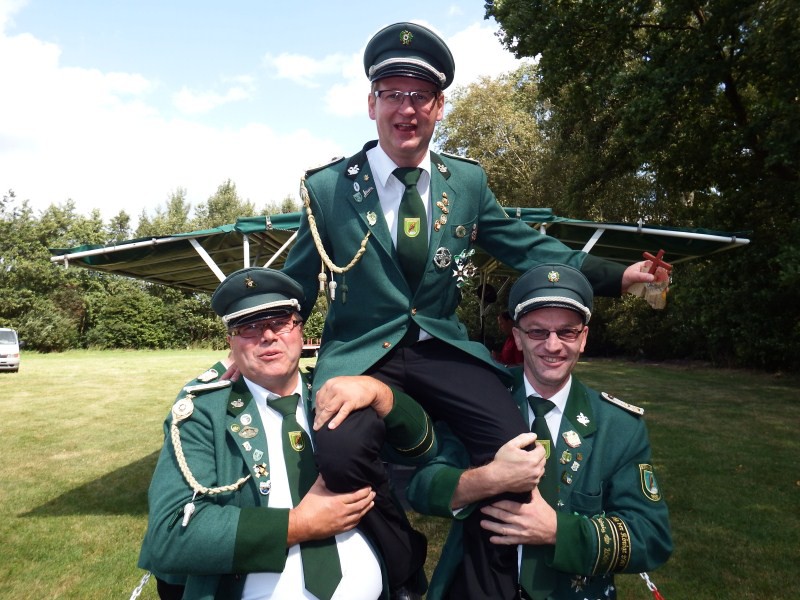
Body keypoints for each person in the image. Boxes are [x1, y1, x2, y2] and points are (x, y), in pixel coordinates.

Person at [283, 21, 670, 598]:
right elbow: (295, 284)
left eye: (421, 95)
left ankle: (491, 585)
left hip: (440, 346)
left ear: (439, 107)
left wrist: (617, 276)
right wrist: (252, 338)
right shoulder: (329, 188)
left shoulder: (465, 183)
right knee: (339, 452)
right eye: (393, 93)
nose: (406, 108)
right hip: (363, 353)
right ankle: (401, 563)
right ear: (371, 104)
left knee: (515, 448)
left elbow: (527, 247)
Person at [137, 267, 437, 600]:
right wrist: (298, 525)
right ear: (230, 341)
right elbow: (169, 536)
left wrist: (381, 394)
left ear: (300, 330)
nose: (267, 336)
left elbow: (422, 449)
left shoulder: (337, 394)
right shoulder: (205, 413)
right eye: (249, 327)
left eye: (280, 322)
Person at [407, 263, 673, 599]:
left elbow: (651, 537)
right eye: (537, 332)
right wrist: (487, 479)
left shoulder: (618, 427)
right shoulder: (479, 400)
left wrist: (557, 531)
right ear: (517, 337)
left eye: (567, 332)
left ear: (584, 338)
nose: (553, 345)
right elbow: (421, 487)